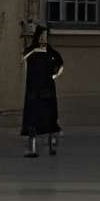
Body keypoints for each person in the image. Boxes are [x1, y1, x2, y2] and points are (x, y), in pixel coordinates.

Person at [21, 25, 63, 158]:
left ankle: (52, 147)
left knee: (50, 117)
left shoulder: (51, 51)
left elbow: (60, 64)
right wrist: (34, 50)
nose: (43, 38)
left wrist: (54, 76)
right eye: (41, 35)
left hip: (47, 89)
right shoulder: (31, 50)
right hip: (33, 88)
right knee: (32, 119)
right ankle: (32, 150)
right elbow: (23, 57)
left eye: (45, 36)